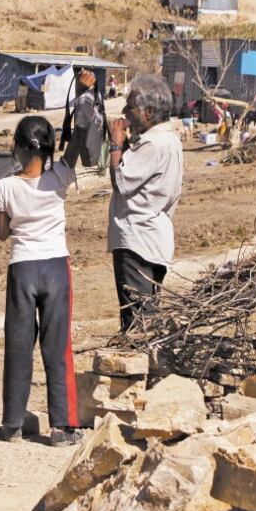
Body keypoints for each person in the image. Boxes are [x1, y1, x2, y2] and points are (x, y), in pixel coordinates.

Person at [0, 115, 89, 447]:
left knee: (19, 346)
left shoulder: (5, 185)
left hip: (23, 268)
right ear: (50, 147)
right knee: (57, 347)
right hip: (56, 268)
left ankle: (12, 424)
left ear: (17, 147)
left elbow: (3, 233)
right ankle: (62, 427)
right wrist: (84, 111)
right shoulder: (60, 176)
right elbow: (76, 146)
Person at [107, 74, 183, 332]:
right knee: (146, 316)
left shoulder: (153, 143)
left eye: (130, 107)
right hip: (155, 238)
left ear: (148, 111)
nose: (126, 112)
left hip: (137, 239)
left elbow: (121, 181)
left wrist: (115, 144)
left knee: (137, 323)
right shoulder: (169, 140)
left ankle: (137, 368)